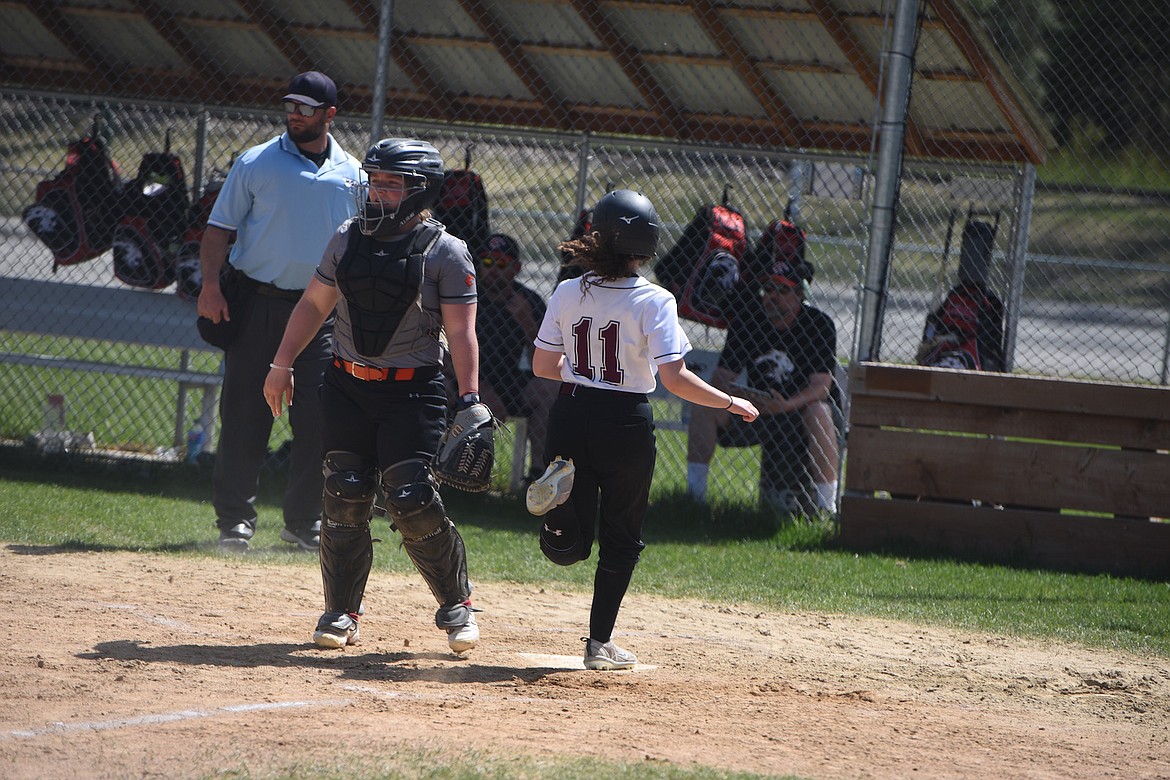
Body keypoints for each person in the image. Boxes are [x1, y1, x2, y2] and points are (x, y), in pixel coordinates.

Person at [262, 137, 482, 654]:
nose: (376, 191)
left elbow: (463, 332)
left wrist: (470, 399)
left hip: (412, 392)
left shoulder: (445, 252)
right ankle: (340, 613)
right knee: (345, 494)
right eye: (374, 181)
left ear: (418, 191)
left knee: (409, 497)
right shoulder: (347, 237)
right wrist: (281, 363)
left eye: (389, 183)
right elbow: (313, 305)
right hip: (344, 384)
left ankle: (457, 604)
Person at [527, 189, 759, 670]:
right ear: (647, 244)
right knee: (623, 536)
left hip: (570, 412)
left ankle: (557, 528)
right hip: (625, 420)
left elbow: (544, 366)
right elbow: (674, 378)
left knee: (572, 545)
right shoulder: (655, 299)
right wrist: (730, 401)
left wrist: (583, 373)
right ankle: (598, 645)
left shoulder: (569, 291)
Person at [198, 71, 362, 552]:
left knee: (318, 420)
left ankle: (303, 524)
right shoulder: (256, 162)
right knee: (246, 414)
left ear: (330, 115)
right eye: (291, 105)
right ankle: (234, 523)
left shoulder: (353, 174)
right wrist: (210, 285)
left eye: (307, 108)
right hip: (259, 303)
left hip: (320, 314)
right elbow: (217, 231)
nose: (296, 114)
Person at [685, 258, 841, 514]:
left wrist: (785, 404)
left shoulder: (818, 324)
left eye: (782, 290)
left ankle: (828, 509)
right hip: (757, 412)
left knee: (818, 410)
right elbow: (722, 377)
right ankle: (694, 500)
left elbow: (821, 387)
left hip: (800, 412)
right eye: (767, 289)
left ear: (799, 294)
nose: (772, 297)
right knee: (705, 406)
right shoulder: (749, 319)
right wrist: (740, 397)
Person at [474, 233, 557, 484]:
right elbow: (446, 353)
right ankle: (454, 473)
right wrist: (478, 388)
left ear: (516, 268)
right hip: (468, 378)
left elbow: (543, 363)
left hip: (508, 379)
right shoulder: (469, 297)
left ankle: (538, 476)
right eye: (487, 263)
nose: (493, 271)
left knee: (550, 389)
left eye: (500, 264)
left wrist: (528, 324)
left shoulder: (528, 301)